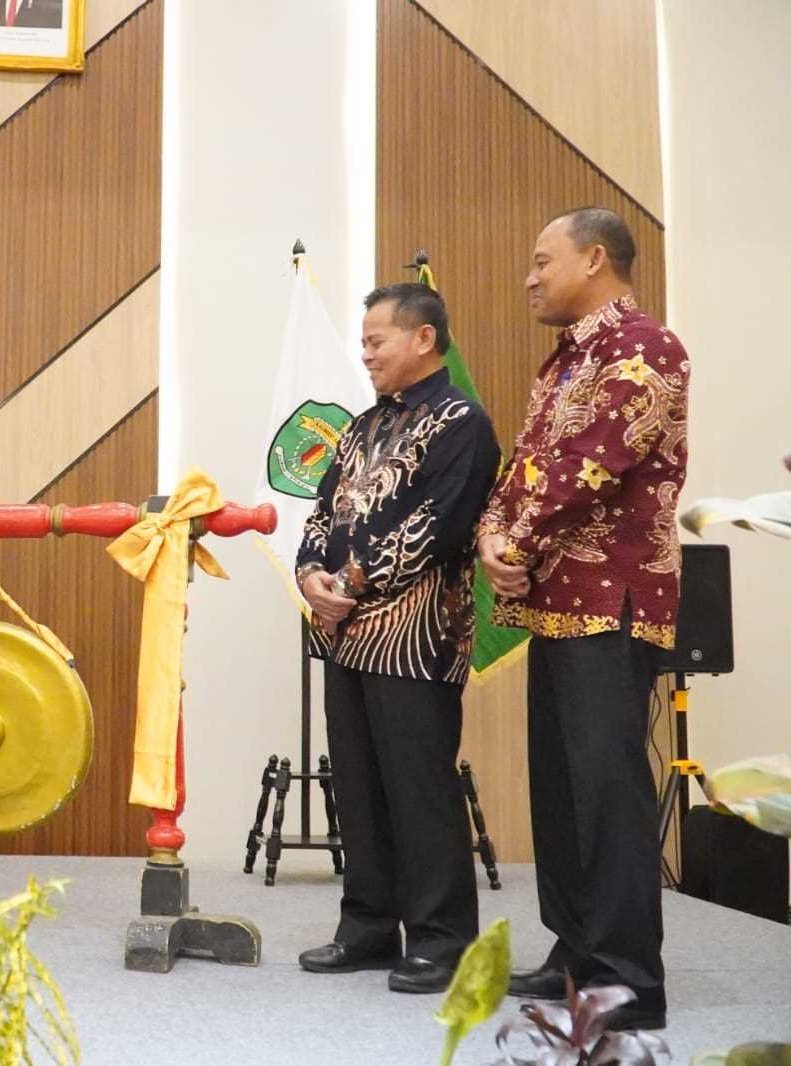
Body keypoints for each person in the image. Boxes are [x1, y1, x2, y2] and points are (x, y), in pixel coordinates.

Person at [478, 208, 688, 1032]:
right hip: (555, 601)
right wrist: (492, 534)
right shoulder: (565, 362)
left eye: (543, 261)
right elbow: (525, 465)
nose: (529, 278)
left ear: (595, 259)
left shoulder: (646, 348)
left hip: (613, 602)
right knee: (562, 792)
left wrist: (515, 540)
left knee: (606, 792)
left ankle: (629, 978)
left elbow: (592, 466)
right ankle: (577, 951)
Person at [294, 283, 500, 994]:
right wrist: (309, 575)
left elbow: (437, 527)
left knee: (420, 791)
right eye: (363, 341)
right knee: (357, 787)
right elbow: (321, 513)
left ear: (423, 339)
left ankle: (443, 941)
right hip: (346, 636)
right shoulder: (360, 428)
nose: (366, 353)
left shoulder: (461, 423)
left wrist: (345, 585)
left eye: (376, 340)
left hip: (416, 639)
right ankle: (369, 928)